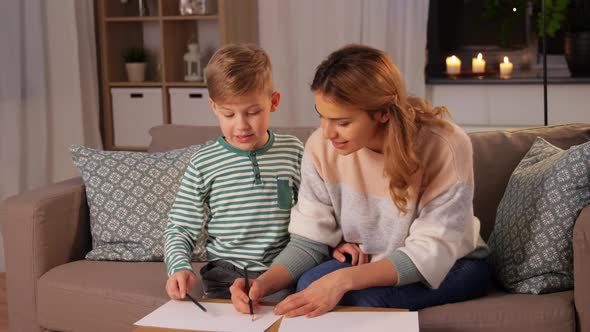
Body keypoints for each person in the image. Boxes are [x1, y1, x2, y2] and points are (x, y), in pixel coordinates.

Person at [230, 44, 491, 317]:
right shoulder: (321, 147)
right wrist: (261, 283)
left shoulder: (445, 145)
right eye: (322, 116)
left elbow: (432, 251)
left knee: (358, 303)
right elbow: (309, 241)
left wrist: (341, 280)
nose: (327, 133)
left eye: (342, 122)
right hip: (373, 260)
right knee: (307, 287)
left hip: (454, 263)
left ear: (383, 112)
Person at [163, 44, 304, 301]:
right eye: (229, 114)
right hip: (224, 273)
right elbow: (180, 227)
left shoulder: (294, 151)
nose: (241, 125)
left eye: (253, 112)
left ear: (273, 102)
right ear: (214, 107)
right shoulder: (203, 162)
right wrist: (179, 267)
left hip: (283, 270)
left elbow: (317, 211)